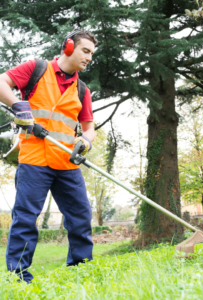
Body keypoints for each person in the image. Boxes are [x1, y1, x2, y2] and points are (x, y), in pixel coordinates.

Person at [0, 29, 97, 283]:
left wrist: (85, 142)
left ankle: (81, 270)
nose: (89, 58)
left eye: (92, 54)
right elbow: (2, 83)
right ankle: (18, 277)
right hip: (34, 159)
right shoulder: (36, 69)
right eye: (85, 51)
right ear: (68, 47)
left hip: (66, 163)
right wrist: (17, 105)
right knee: (26, 218)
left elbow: (88, 127)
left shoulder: (82, 90)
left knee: (81, 218)